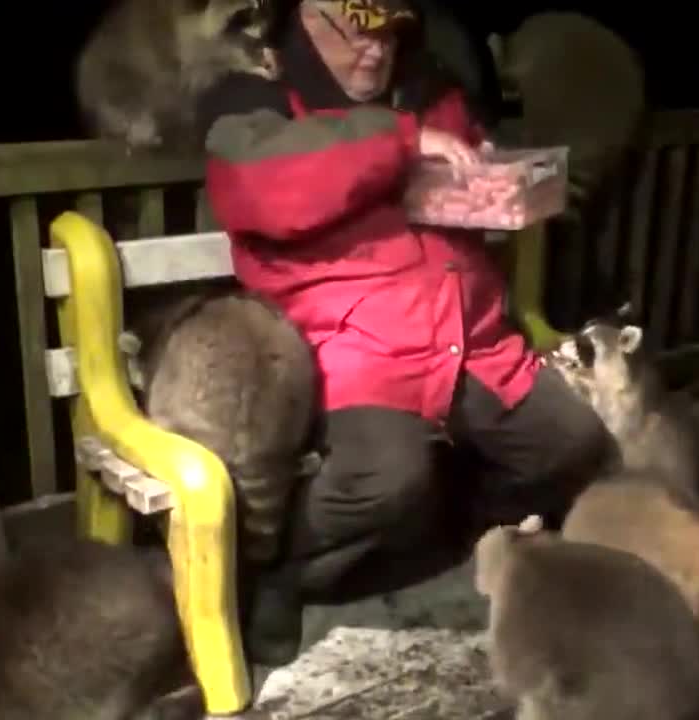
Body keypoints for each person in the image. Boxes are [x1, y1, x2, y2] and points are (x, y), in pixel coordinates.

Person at [195, 0, 612, 666]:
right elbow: (263, 188)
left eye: (390, 34)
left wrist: (504, 180)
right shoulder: (257, 94)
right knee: (386, 478)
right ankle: (275, 567)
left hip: (469, 337)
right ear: (307, 17)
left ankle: (458, 532)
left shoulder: (431, 87)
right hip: (352, 347)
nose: (376, 52)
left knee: (573, 437)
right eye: (357, 33)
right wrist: (401, 139)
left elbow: (472, 171)